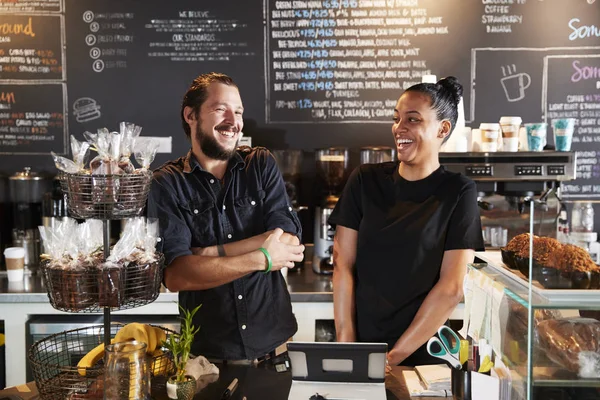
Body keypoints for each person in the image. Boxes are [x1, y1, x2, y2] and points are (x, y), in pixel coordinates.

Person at [147, 72, 304, 363]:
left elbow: (289, 240)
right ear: (191, 115)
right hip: (209, 361)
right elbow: (177, 275)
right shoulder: (166, 183)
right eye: (221, 109)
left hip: (277, 354)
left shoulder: (260, 164)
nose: (234, 121)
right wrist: (262, 257)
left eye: (239, 111)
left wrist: (213, 253)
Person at [329, 77, 484, 366]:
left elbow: (451, 287)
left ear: (443, 129)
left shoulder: (459, 191)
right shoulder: (365, 180)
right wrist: (346, 345)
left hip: (423, 354)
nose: (399, 128)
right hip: (362, 346)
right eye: (397, 118)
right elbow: (343, 264)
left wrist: (392, 358)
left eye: (412, 119)